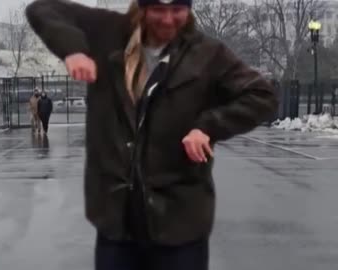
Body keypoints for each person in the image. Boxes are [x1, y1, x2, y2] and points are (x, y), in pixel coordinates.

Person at [26, 0, 278, 269]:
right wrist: (73, 50)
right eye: (158, 9)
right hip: (117, 224)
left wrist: (208, 126)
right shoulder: (107, 33)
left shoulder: (207, 55)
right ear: (142, 7)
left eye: (177, 9)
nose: (168, 19)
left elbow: (262, 95)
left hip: (179, 224)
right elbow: (42, 9)